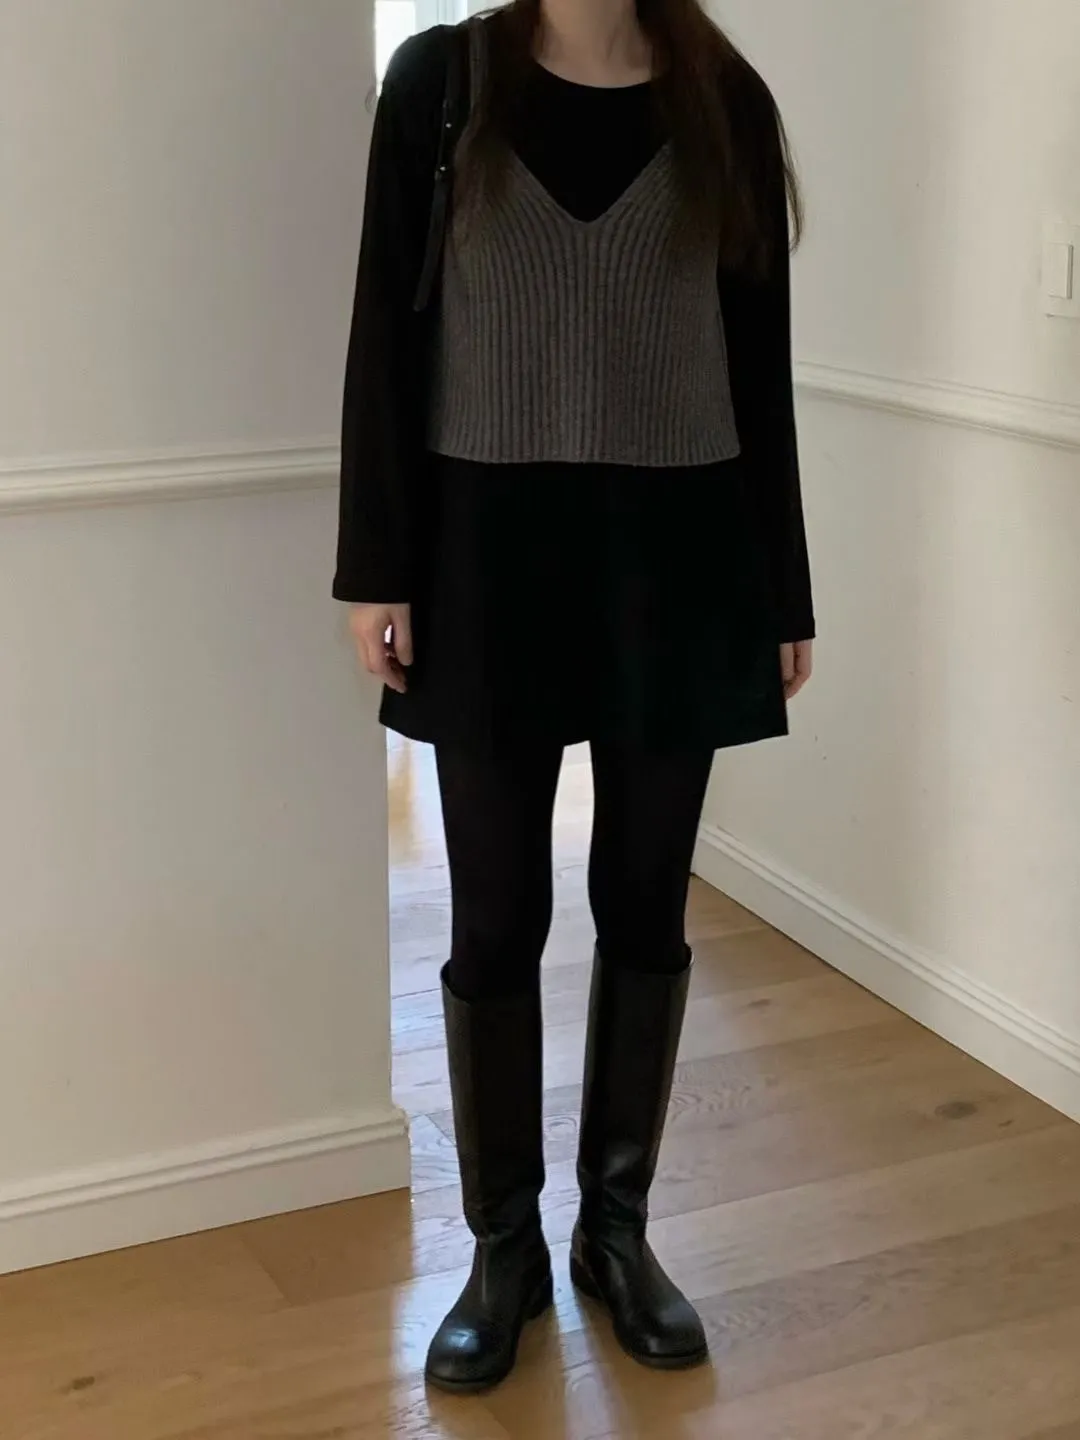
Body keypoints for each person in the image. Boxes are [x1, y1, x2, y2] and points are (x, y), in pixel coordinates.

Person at [334, 0, 814, 1394]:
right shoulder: (443, 83)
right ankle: (505, 1252)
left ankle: (616, 1233)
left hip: (681, 561)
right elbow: (384, 333)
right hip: (485, 561)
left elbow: (758, 363)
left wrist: (782, 589)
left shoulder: (726, 100)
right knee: (495, 915)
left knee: (646, 904)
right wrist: (377, 566)